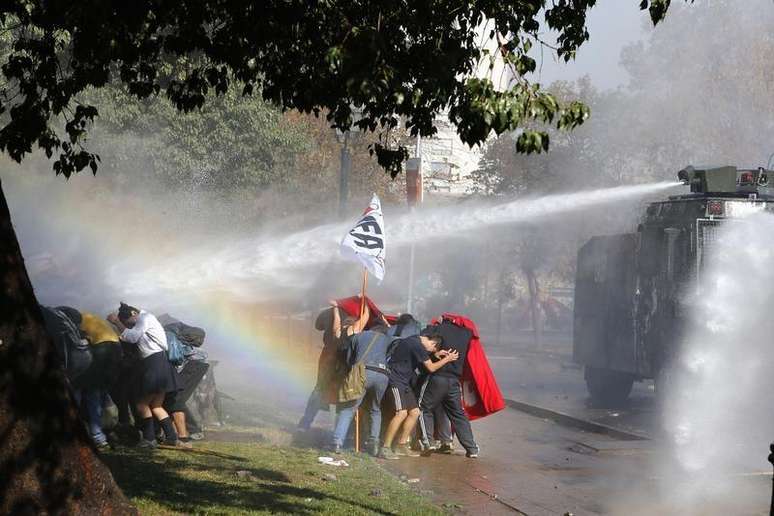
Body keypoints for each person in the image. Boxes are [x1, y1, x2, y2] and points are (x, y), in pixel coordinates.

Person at [108, 302, 187, 449]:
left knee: (141, 404)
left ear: (132, 314)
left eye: (127, 322)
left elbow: (131, 337)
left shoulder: (144, 318)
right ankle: (172, 437)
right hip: (161, 363)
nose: (128, 325)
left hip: (154, 363)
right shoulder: (146, 319)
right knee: (156, 405)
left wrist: (117, 322)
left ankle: (149, 439)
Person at [379, 325, 459, 460]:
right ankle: (385, 448)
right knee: (401, 413)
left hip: (404, 382)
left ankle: (401, 445)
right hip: (396, 380)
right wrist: (448, 359)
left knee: (415, 412)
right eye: (434, 349)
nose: (431, 351)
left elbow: (420, 355)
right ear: (433, 343)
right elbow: (431, 368)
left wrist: (434, 354)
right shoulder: (418, 346)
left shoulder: (414, 340)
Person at [297, 301, 368, 431]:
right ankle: (338, 430)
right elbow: (364, 320)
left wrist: (336, 307)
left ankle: (305, 423)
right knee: (344, 395)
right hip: (342, 367)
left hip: (328, 362)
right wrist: (367, 305)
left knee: (319, 389)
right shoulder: (353, 332)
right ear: (353, 324)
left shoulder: (338, 332)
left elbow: (336, 321)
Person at [329, 307, 391, 455]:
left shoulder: (358, 336)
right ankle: (373, 443)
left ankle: (337, 443)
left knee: (349, 408)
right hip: (383, 375)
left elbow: (350, 359)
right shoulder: (388, 339)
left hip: (363, 372)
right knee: (375, 410)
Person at [59, 307, 123, 449]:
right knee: (100, 391)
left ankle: (95, 435)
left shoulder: (74, 321)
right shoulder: (92, 318)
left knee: (85, 389)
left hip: (103, 349)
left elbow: (76, 344)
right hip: (117, 350)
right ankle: (108, 431)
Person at [418, 320, 480, 458]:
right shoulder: (467, 333)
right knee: (458, 414)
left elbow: (422, 338)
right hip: (454, 381)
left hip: (437, 377)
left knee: (423, 408)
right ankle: (472, 448)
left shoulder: (439, 329)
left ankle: (429, 443)